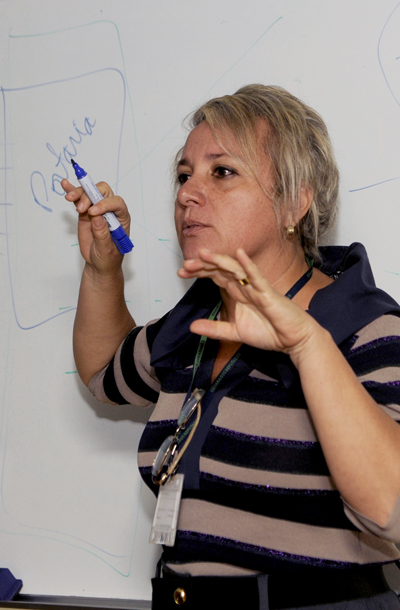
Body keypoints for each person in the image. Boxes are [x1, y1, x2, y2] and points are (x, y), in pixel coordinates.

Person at [63, 85, 400, 610]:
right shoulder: (199, 319)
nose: (186, 194)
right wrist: (103, 269)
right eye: (184, 175)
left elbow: (391, 508)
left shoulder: (367, 328)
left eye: (221, 172)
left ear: (296, 201)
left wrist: (308, 346)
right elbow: (104, 370)